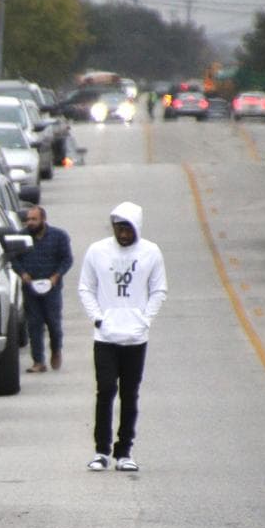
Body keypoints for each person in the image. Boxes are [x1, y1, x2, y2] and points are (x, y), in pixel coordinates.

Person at [78, 201, 167, 472]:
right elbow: (85, 288)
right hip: (105, 336)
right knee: (105, 390)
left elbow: (159, 289)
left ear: (136, 228)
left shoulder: (151, 252)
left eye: (128, 228)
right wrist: (98, 318)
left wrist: (145, 319)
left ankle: (124, 451)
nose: (123, 234)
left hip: (135, 337)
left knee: (130, 394)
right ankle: (101, 451)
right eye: (119, 228)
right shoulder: (97, 251)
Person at [11, 206, 74, 374]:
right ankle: (38, 361)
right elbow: (14, 259)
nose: (30, 223)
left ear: (43, 219)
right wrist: (22, 273)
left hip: (51, 288)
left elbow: (67, 259)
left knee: (53, 323)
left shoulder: (59, 236)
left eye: (34, 219)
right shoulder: (21, 237)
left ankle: (56, 349)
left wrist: (56, 276)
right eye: (28, 220)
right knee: (34, 324)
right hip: (30, 288)